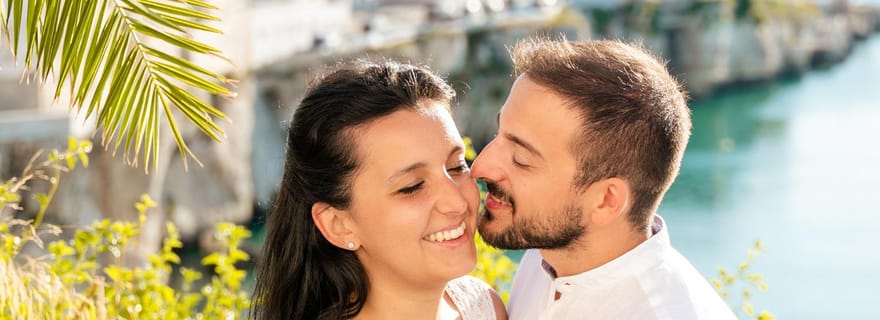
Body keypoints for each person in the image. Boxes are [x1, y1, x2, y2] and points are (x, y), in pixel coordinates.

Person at [471, 38, 736, 319]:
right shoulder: (543, 258)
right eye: (498, 134)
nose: (479, 167)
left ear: (606, 201)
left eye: (521, 159)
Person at [251, 60, 507, 320]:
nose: (457, 202)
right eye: (412, 187)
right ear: (338, 224)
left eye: (457, 166)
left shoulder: (483, 307)